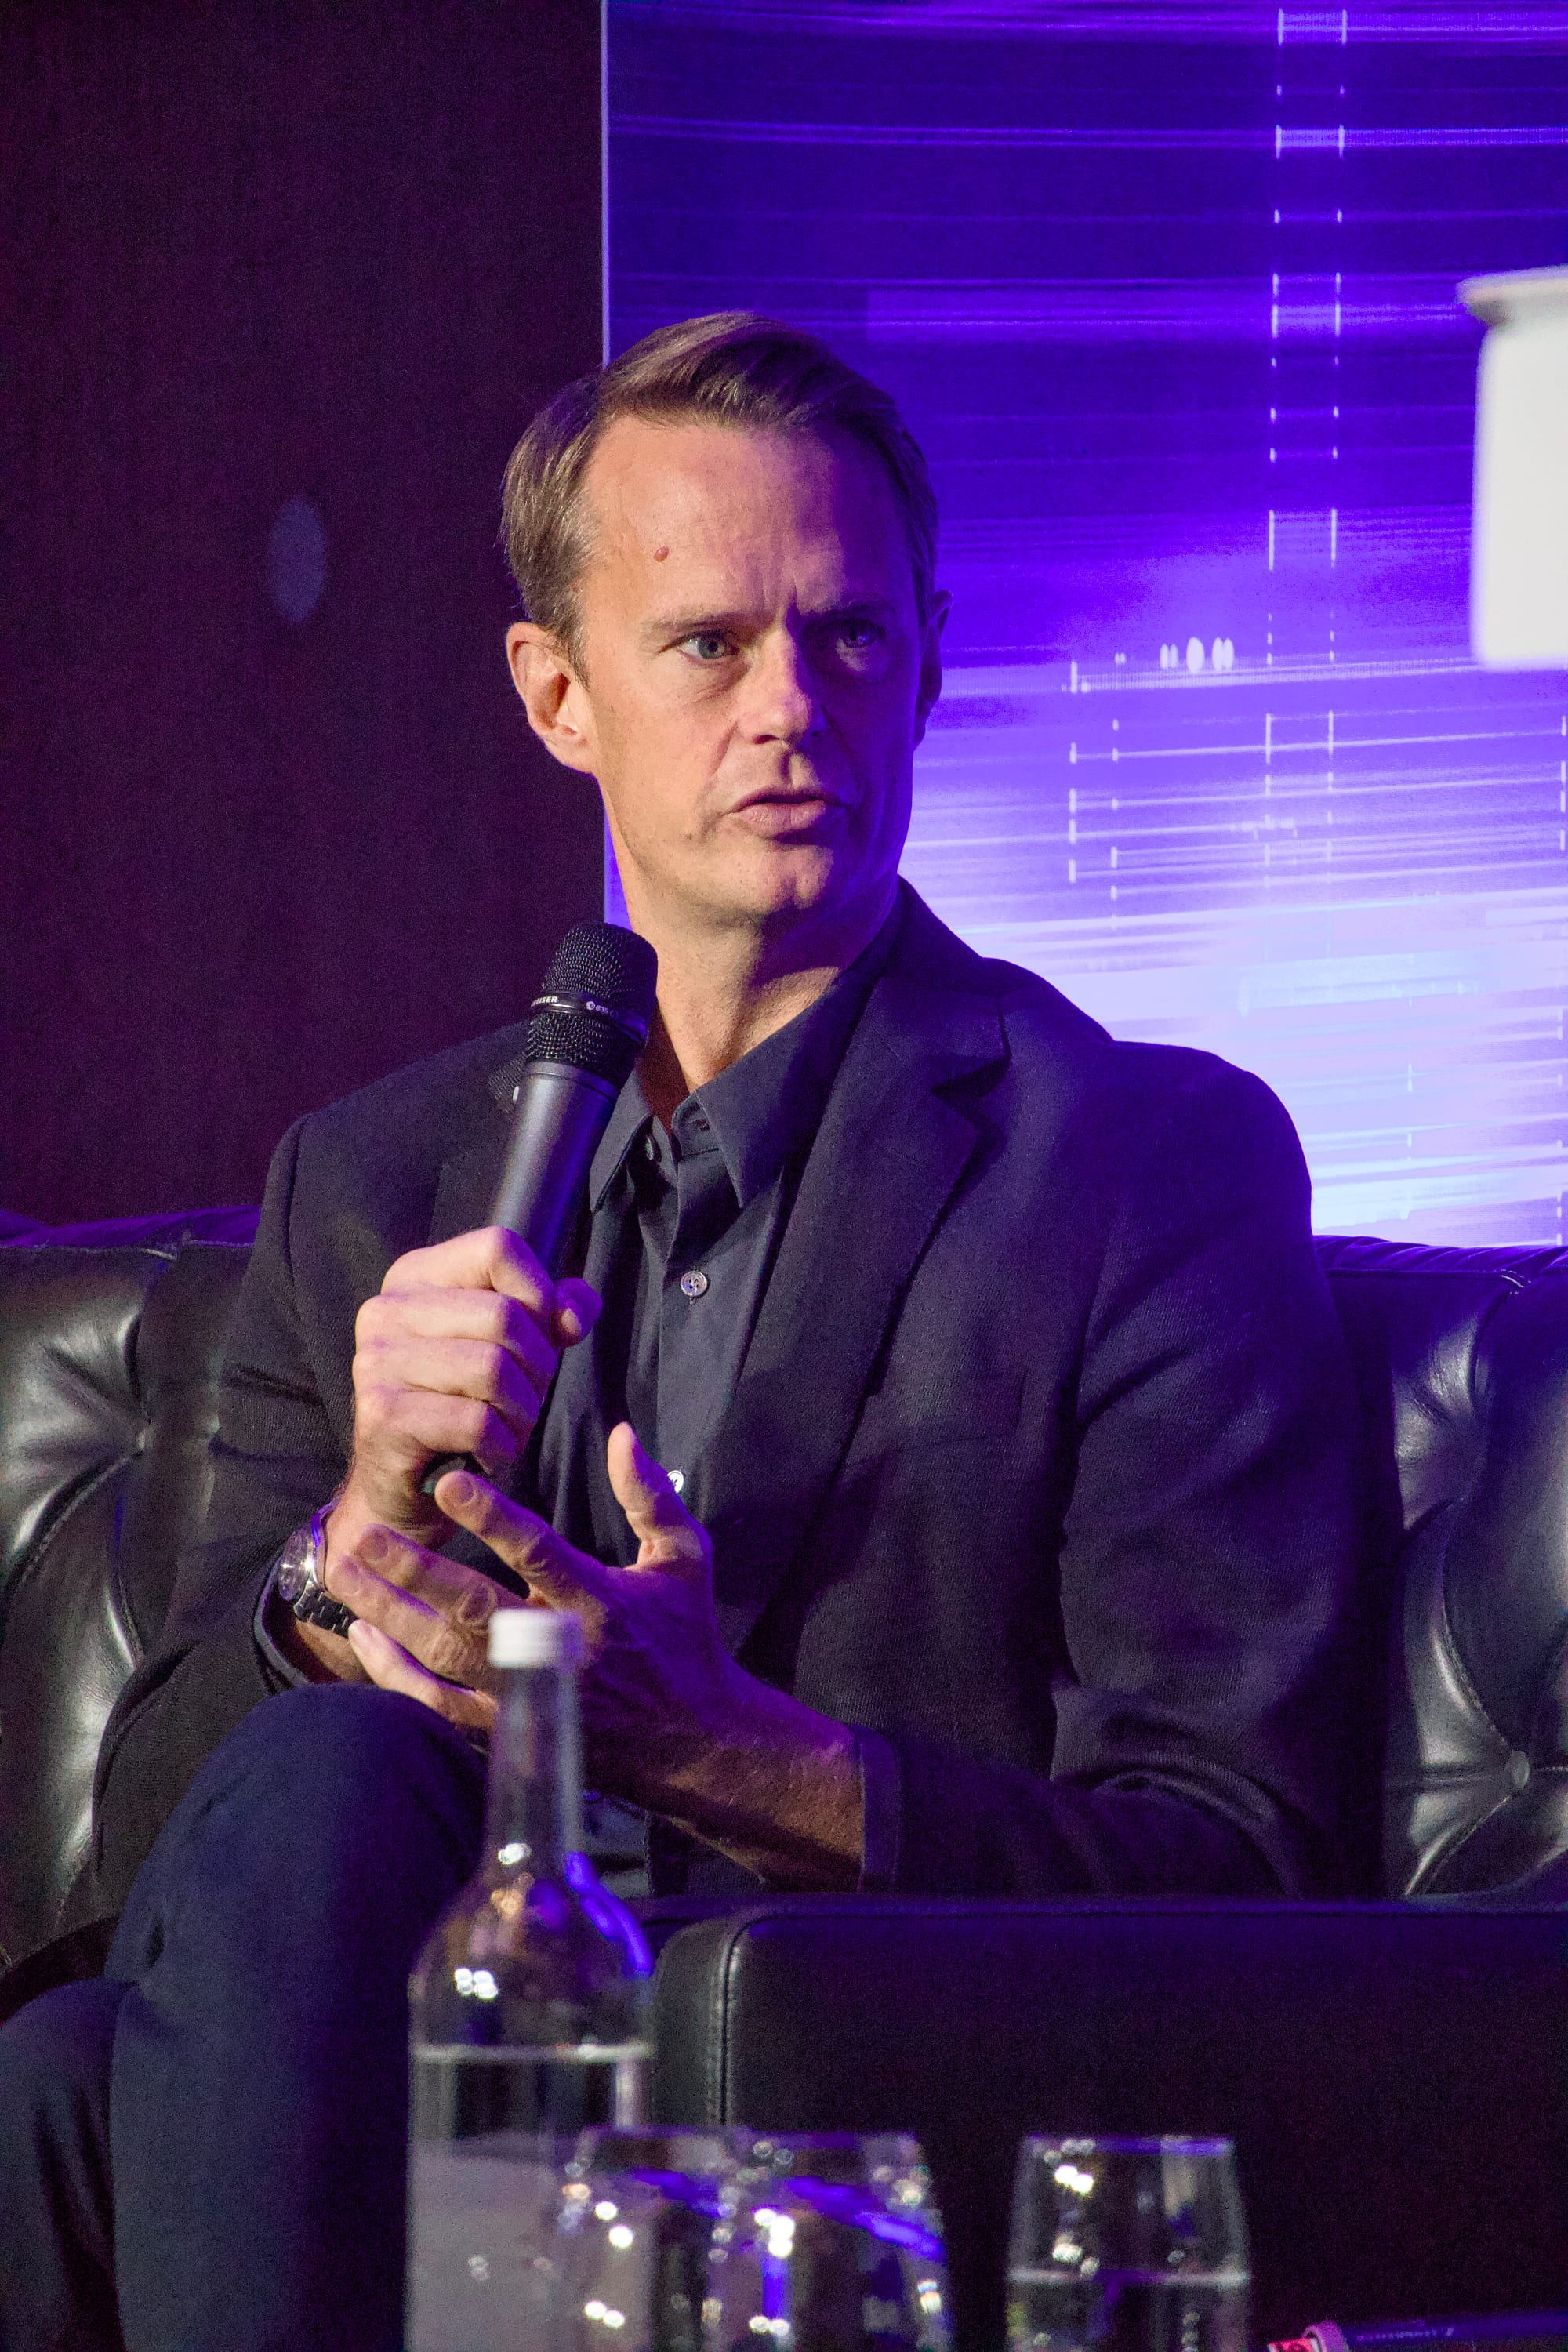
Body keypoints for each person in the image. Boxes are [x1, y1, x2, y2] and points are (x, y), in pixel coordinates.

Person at [0, 314, 1368, 2352]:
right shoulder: (372, 1180)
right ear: (559, 692)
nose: (791, 709)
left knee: (82, 2079)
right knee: (197, 1910)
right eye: (709, 645)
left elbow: (1240, 1869)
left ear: (931, 662)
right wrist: (339, 1567)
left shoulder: (1144, 1165)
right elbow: (139, 1855)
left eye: (851, 637)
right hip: (380, 2049)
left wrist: (731, 1753)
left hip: (830, 2088)